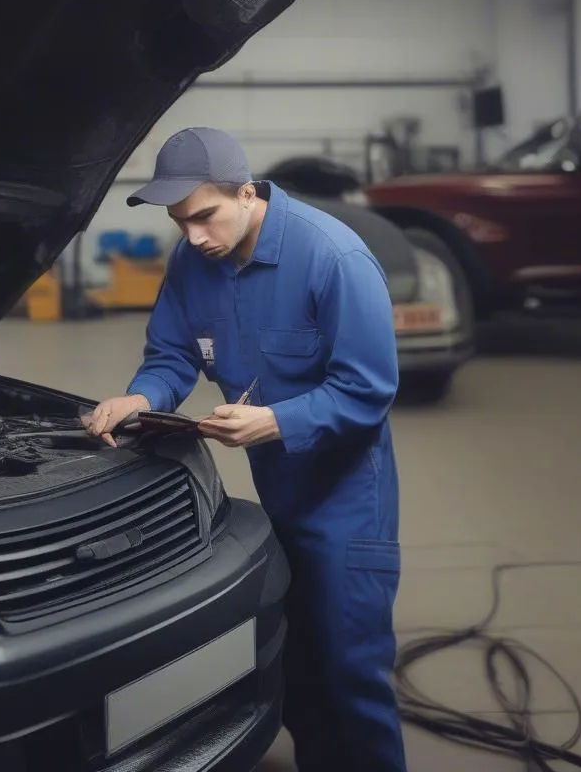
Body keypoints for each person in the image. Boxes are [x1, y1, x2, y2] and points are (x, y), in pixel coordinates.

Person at [86, 126, 406, 772]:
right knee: (297, 659)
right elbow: (172, 354)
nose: (194, 236)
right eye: (181, 223)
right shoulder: (193, 263)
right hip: (276, 495)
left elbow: (368, 390)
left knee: (349, 666)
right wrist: (144, 398)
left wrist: (274, 422)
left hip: (348, 500)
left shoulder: (333, 259)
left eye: (205, 216)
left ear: (246, 191)